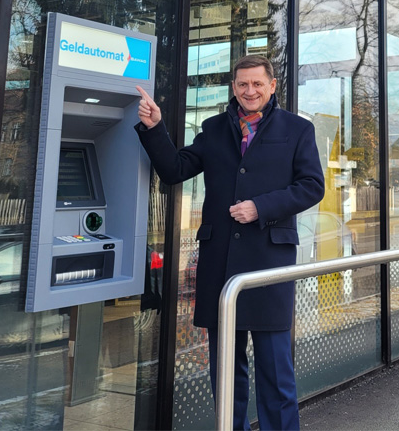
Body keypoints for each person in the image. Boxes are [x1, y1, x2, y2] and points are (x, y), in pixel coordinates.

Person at [134, 55, 324, 430]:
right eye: (242, 84)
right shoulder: (214, 128)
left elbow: (312, 186)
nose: (249, 91)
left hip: (269, 266)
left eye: (257, 84)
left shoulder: (298, 129)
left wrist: (260, 207)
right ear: (233, 88)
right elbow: (175, 169)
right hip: (220, 265)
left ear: (272, 86)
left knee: (276, 375)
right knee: (225, 375)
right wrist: (154, 127)